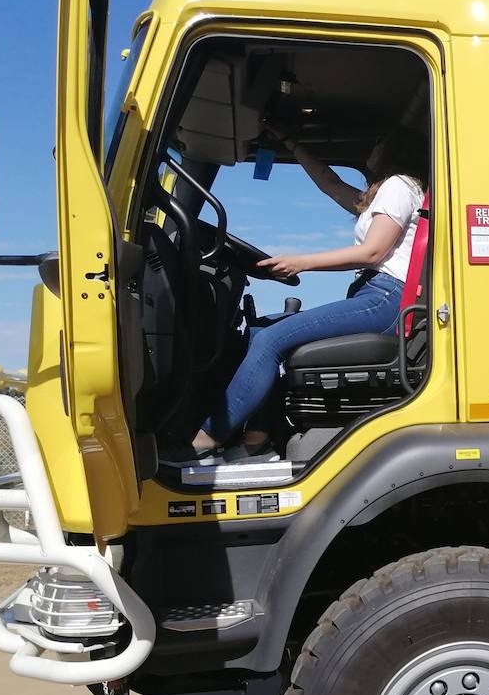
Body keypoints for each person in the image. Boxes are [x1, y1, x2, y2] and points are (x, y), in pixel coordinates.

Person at [177, 127, 428, 461]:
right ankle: (257, 439)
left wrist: (301, 262)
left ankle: (205, 441)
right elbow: (330, 185)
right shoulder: (386, 192)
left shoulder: (399, 185)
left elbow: (372, 253)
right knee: (260, 331)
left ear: (395, 146)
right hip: (374, 295)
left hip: (386, 298)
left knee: (269, 341)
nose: (374, 141)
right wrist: (292, 143)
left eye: (380, 138)